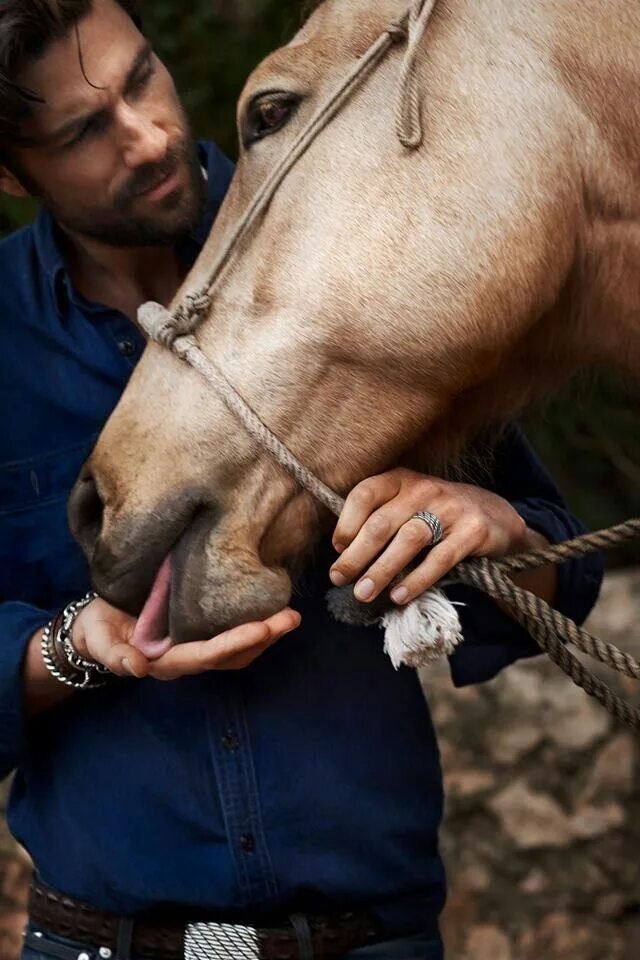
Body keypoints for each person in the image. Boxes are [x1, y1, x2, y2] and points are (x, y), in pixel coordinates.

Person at [0, 2, 602, 959]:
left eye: (142, 77)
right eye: (83, 130)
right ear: (11, 170)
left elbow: (557, 580)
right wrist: (79, 647)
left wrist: (492, 528)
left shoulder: (360, 241)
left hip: (371, 940)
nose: (150, 134)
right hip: (99, 942)